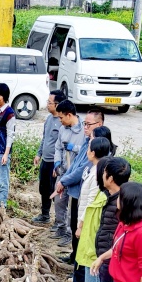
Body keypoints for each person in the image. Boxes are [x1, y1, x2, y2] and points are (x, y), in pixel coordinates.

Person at [69, 135, 113, 282]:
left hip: (88, 227)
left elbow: (89, 203)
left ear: (93, 152)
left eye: (88, 149)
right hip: (87, 224)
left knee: (87, 264)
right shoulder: (96, 169)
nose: (86, 151)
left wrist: (80, 225)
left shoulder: (98, 174)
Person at [55, 108, 104, 263]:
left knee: (80, 227)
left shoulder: (98, 147)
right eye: (84, 124)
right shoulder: (86, 142)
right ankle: (74, 256)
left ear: (99, 124)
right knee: (74, 223)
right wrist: (64, 179)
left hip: (85, 192)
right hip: (77, 191)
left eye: (89, 124)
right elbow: (75, 164)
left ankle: (78, 262)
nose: (85, 127)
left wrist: (64, 181)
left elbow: (82, 169)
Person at [50, 100, 81, 245]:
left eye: (61, 117)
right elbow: (58, 148)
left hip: (75, 175)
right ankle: (61, 227)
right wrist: (57, 163)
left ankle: (69, 233)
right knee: (59, 201)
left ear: (69, 115)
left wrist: (74, 147)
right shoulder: (63, 129)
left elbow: (88, 151)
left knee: (72, 206)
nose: (59, 120)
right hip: (63, 172)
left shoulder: (83, 131)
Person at [32, 91, 65, 224]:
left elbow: (62, 147)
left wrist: (58, 164)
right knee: (44, 189)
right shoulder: (49, 119)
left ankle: (59, 220)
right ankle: (45, 215)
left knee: (55, 191)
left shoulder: (62, 122)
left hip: (54, 163)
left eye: (49, 102)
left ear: (57, 105)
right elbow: (44, 138)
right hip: (45, 161)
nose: (47, 104)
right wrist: (39, 154)